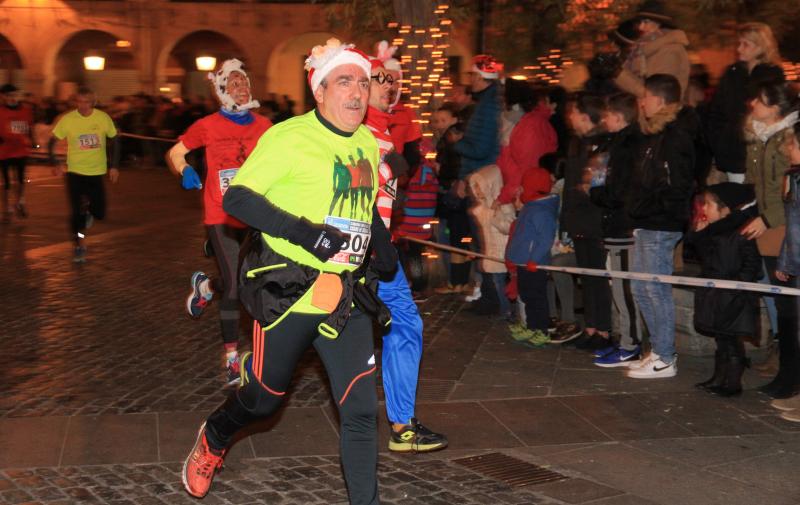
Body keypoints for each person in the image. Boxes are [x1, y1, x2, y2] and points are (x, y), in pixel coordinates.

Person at [181, 39, 396, 504]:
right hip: (289, 290)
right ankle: (215, 437)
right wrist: (307, 234)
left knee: (360, 411)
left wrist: (382, 246)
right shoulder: (287, 137)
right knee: (263, 400)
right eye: (344, 82)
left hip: (345, 295)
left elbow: (363, 205)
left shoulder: (364, 140)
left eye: (363, 81)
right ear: (319, 91)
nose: (357, 92)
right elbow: (237, 199)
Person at [166, 59, 272, 386]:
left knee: (254, 278)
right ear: (222, 90)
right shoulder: (207, 125)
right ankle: (230, 358)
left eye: (245, 82)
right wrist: (184, 170)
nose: (242, 87)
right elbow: (175, 153)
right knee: (237, 284)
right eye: (234, 83)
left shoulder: (265, 126)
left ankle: (206, 287)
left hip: (256, 215)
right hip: (221, 215)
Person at [363, 58, 448, 452]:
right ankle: (259, 371)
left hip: (379, 251)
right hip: (354, 250)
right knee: (314, 331)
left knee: (405, 324)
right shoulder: (358, 133)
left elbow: (383, 200)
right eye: (380, 80)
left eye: (393, 81)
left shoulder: (383, 132)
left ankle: (402, 425)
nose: (389, 87)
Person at [626, 74, 699, 379]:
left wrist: (657, 209)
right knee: (641, 287)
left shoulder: (677, 134)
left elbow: (677, 184)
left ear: (660, 99)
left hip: (661, 221)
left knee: (655, 289)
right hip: (647, 219)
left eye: (645, 96)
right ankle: (657, 349)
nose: (641, 102)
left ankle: (666, 357)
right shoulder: (656, 133)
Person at [740, 81, 799, 398]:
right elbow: (757, 184)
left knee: (789, 302)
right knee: (780, 299)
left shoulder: (787, 139)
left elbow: (787, 190)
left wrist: (767, 218)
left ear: (776, 107)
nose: (752, 103)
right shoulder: (760, 136)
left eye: (760, 100)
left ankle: (790, 376)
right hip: (769, 227)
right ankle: (785, 368)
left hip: (782, 228)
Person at [688, 183, 761, 397]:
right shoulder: (713, 231)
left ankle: (733, 382)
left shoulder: (741, 231)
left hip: (733, 295)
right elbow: (704, 258)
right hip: (715, 293)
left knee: (731, 339)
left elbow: (752, 264)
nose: (704, 210)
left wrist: (738, 285)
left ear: (725, 208)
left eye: (708, 205)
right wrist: (699, 234)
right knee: (721, 338)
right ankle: (719, 377)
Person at [590, 92, 644, 367]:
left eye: (608, 115)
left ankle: (631, 344)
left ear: (620, 117)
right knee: (618, 286)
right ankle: (624, 339)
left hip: (623, 225)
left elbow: (619, 191)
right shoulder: (616, 144)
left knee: (624, 288)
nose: (604, 119)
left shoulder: (627, 147)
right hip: (615, 223)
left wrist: (596, 193)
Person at [560, 93, 613, 349]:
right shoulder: (577, 144)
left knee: (598, 278)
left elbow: (594, 185)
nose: (569, 117)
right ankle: (591, 326)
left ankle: (603, 330)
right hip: (578, 219)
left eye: (573, 112)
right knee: (586, 277)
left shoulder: (602, 145)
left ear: (584, 115)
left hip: (594, 220)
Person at [707, 22, 785, 183]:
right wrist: (718, 141)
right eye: (739, 43)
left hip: (759, 154)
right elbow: (716, 111)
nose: (739, 49)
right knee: (737, 201)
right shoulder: (732, 73)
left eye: (746, 44)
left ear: (760, 47)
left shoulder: (772, 76)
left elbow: (778, 114)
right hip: (731, 152)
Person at [49, 87, 120, 262]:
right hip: (75, 172)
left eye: (86, 102)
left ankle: (89, 212)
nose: (82, 105)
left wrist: (114, 166)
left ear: (93, 103)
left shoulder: (102, 118)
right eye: (79, 101)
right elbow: (52, 141)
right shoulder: (69, 119)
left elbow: (115, 140)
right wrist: (55, 163)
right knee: (75, 214)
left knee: (100, 213)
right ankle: (79, 245)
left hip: (96, 172)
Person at [506, 168, 559, 346]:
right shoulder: (531, 207)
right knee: (528, 296)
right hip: (524, 261)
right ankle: (531, 326)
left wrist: (534, 259)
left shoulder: (541, 211)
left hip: (533, 263)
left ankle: (541, 329)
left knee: (537, 298)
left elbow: (545, 239)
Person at [769, 123, 800, 419]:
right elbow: (792, 228)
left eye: (793, 144)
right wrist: (784, 260)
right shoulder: (794, 178)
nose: (788, 148)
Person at [495, 87, 558, 208]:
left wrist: (503, 197)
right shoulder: (533, 123)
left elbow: (525, 169)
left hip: (524, 194)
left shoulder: (528, 128)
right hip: (524, 191)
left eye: (505, 105)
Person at [613, 0, 690, 100]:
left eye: (646, 22)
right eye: (640, 22)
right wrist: (616, 72)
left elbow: (657, 96)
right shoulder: (644, 50)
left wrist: (619, 74)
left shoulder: (668, 50)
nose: (641, 27)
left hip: (661, 114)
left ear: (659, 24)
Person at [0, 84, 34, 222]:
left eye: (13, 95)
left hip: (21, 150)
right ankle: (6, 209)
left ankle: (19, 202)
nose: (11, 98)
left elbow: (29, 127)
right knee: (6, 182)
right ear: (2, 97)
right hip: (4, 151)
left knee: (20, 180)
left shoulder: (26, 110)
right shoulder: (0, 111)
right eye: (8, 95)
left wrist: (31, 140)